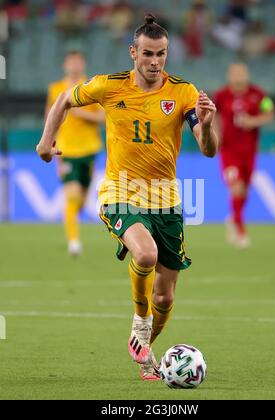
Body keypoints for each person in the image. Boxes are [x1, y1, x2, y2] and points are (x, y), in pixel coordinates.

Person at [37, 14, 218, 381]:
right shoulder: (109, 85)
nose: (155, 62)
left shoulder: (183, 93)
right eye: (148, 54)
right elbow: (63, 101)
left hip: (166, 198)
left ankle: (147, 349)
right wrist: (45, 142)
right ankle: (140, 321)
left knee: (165, 298)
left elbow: (208, 150)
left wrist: (208, 125)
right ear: (133, 52)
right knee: (146, 253)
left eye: (162, 54)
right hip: (120, 191)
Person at [46, 51, 105, 257]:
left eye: (78, 62)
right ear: (64, 65)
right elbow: (50, 121)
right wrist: (54, 155)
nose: (74, 65)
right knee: (71, 197)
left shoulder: (91, 88)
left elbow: (102, 118)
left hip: (89, 150)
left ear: (83, 64)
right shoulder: (55, 89)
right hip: (66, 150)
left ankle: (72, 224)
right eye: (71, 62)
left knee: (80, 200)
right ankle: (74, 243)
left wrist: (75, 110)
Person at [213, 63, 275, 249]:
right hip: (229, 151)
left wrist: (253, 121)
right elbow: (213, 115)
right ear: (229, 75)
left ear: (247, 75)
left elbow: (270, 113)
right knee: (237, 187)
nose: (239, 77)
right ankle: (240, 229)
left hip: (249, 151)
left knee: (245, 190)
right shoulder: (221, 95)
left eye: (242, 73)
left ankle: (234, 218)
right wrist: (216, 136)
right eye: (236, 74)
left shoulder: (258, 94)